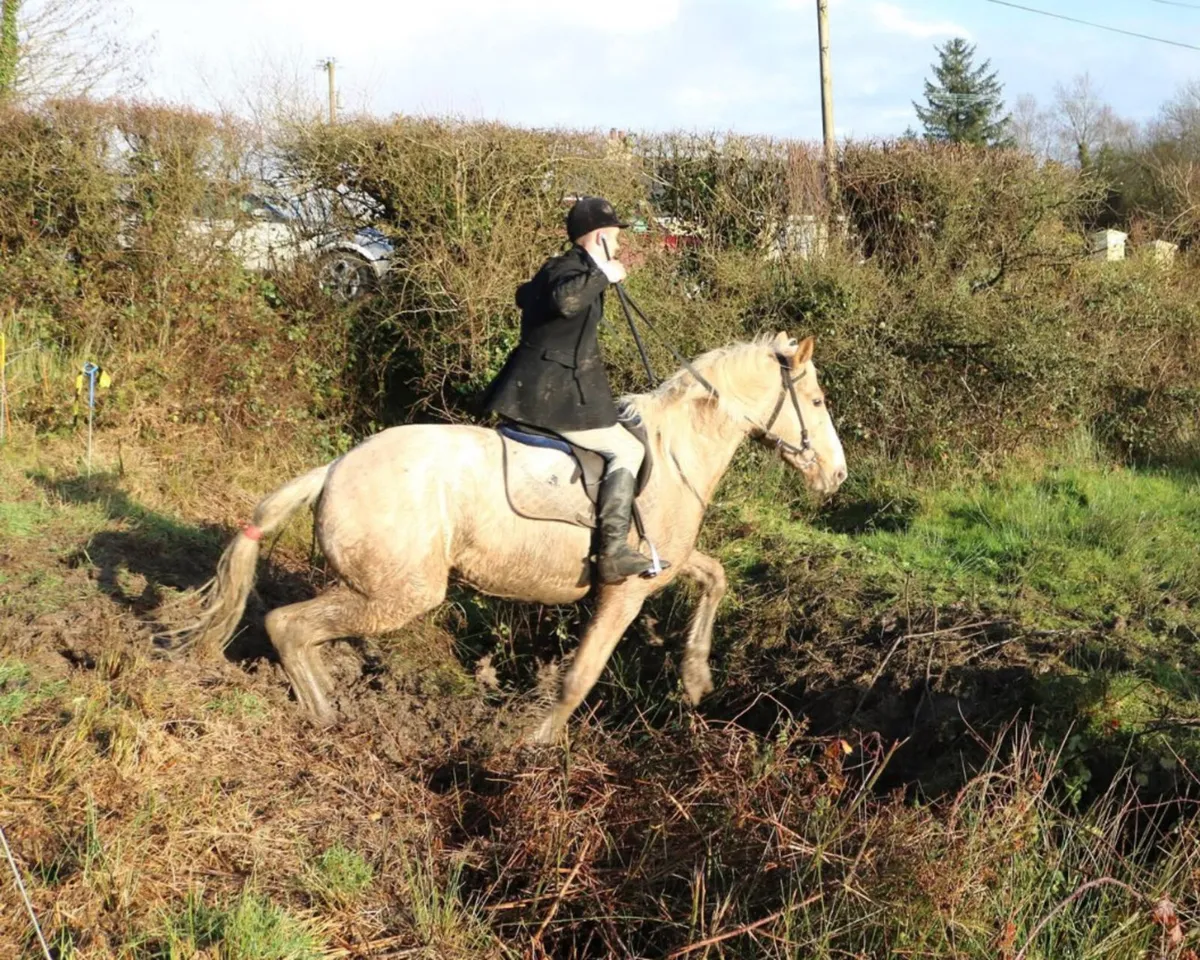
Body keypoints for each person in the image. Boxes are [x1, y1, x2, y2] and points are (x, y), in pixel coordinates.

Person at [482, 196, 655, 584]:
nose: (621, 245)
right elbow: (566, 301)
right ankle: (612, 551)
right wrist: (604, 275)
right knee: (628, 448)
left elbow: (528, 295)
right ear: (599, 239)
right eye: (615, 237)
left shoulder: (563, 269)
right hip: (552, 395)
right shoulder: (570, 270)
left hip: (544, 386)